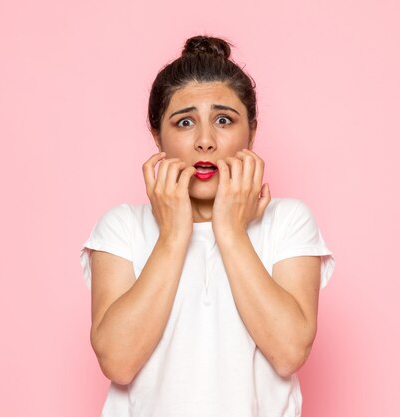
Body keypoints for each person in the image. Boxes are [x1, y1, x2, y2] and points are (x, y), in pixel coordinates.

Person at [79, 34, 336, 417]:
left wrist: (229, 231)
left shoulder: (287, 221)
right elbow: (117, 362)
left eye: (223, 120)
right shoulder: (122, 227)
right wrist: (173, 236)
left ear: (251, 131)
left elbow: (289, 353)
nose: (205, 141)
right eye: (184, 122)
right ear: (157, 137)